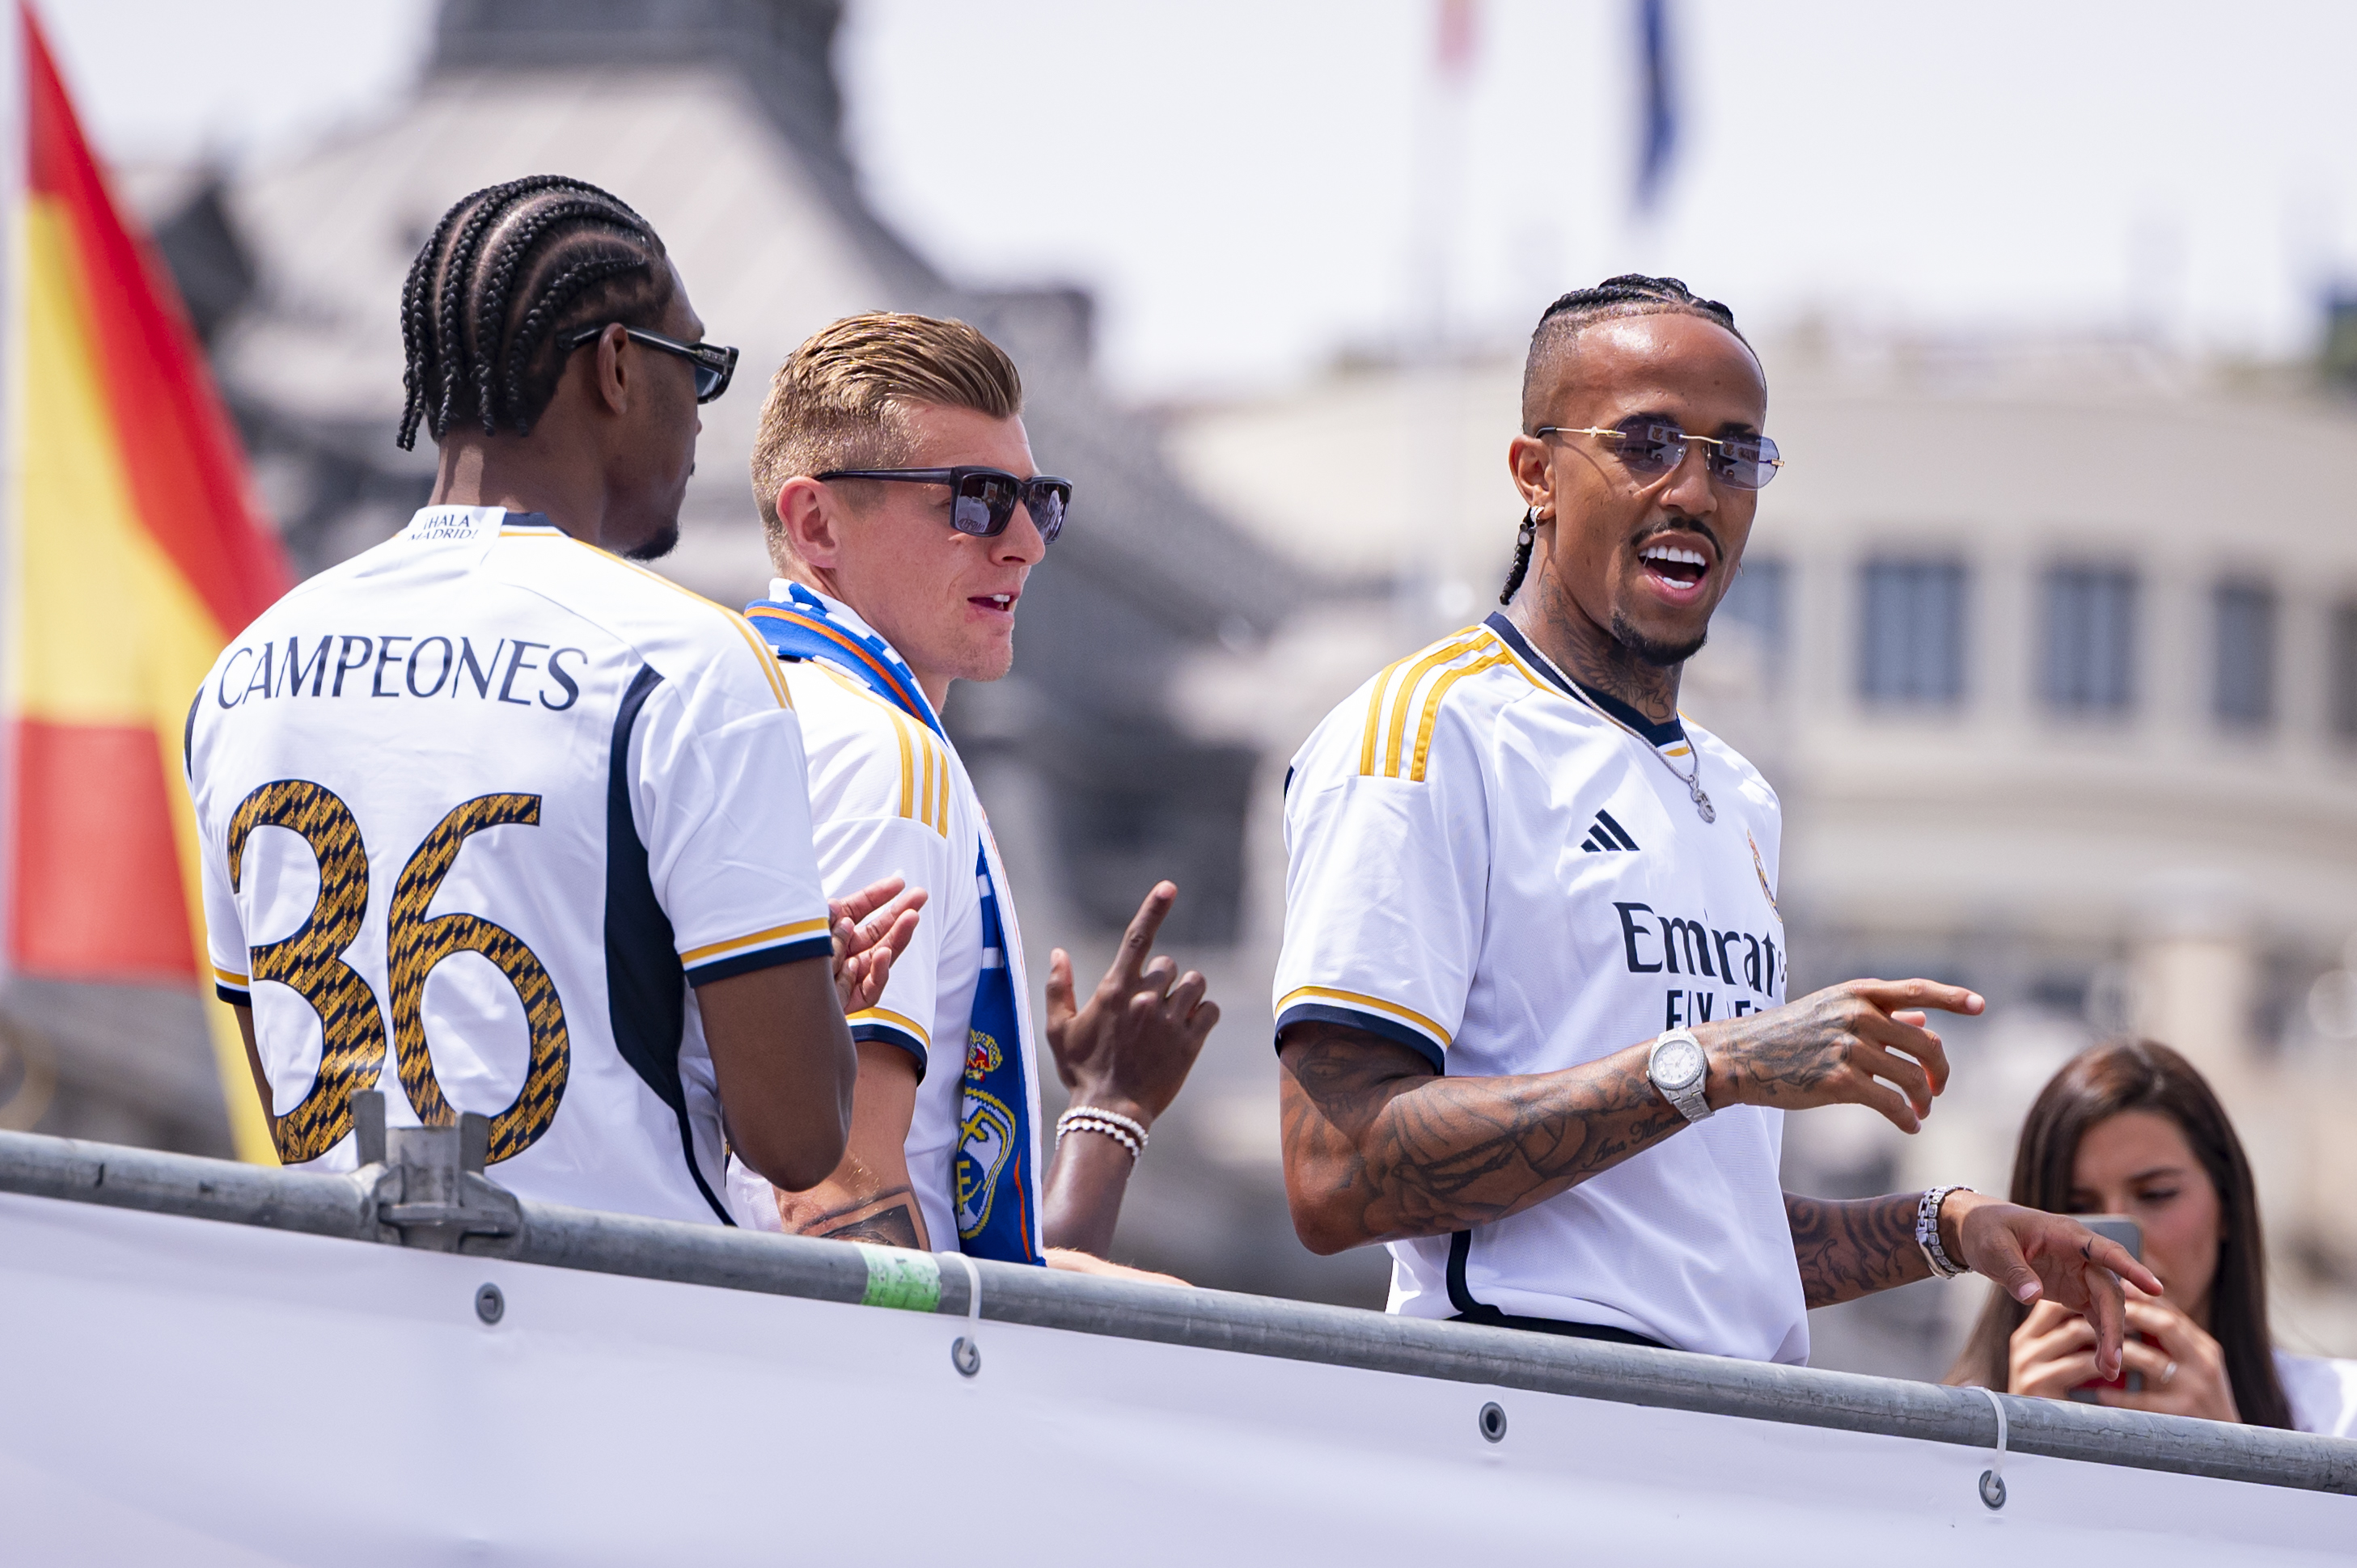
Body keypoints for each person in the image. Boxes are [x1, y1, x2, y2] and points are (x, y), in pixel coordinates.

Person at [1273, 274, 2160, 1367]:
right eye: (1645, 440)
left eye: (1734, 454)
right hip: (1526, 1416)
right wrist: (1708, 1061)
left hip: (1729, 1433)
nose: (1693, 488)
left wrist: (1949, 1226)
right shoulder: (1425, 733)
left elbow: (1683, 1225)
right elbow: (1334, 1172)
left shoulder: (1738, 794)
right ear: (1534, 473)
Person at [188, 176, 917, 1223]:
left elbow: (289, 1081)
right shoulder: (690, 659)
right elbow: (797, 1135)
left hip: (336, 1330)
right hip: (606, 1342)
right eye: (698, 371)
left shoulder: (245, 672)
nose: (706, 422)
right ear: (618, 366)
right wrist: (795, 1012)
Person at [726, 311, 1216, 1274]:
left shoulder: (744, 704)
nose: (1027, 543)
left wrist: (1106, 1113)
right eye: (977, 499)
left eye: (1041, 501)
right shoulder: (879, 751)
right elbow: (836, 1195)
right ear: (816, 522)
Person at [1949, 1039, 2357, 1436]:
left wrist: (2236, 1460)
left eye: (2156, 1194)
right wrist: (2017, 1448)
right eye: (2075, 1208)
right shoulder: (1948, 1428)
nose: (2114, 1249)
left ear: (2227, 1205)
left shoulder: (2338, 1415)